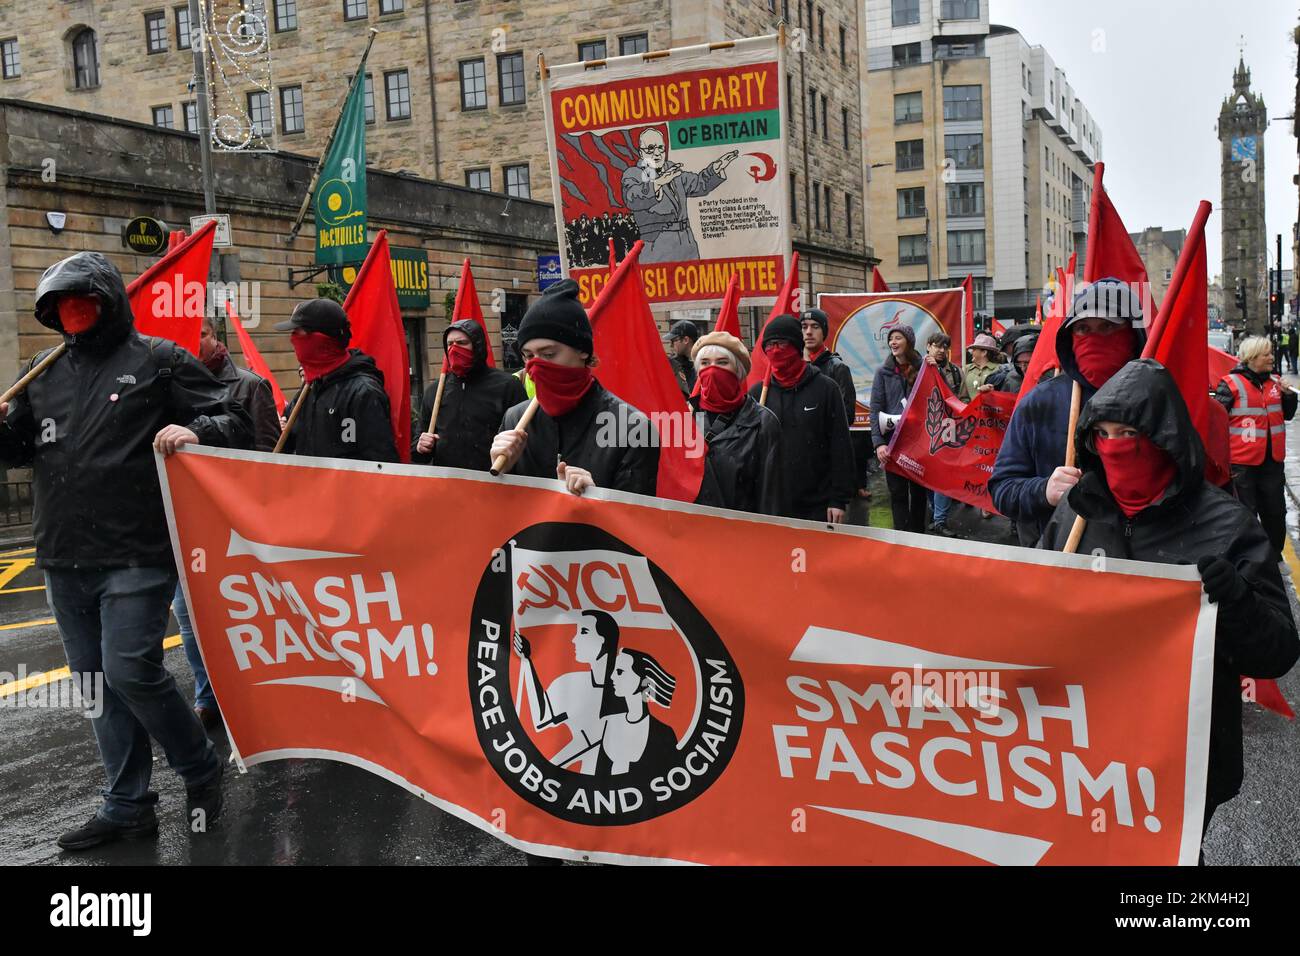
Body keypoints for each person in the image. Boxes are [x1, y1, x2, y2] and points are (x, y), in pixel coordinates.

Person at [0, 252, 251, 850]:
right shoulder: (43, 369)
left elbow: (234, 415)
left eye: (82, 301)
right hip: (62, 553)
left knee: (131, 669)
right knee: (94, 684)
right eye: (61, 305)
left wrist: (198, 430)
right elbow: (19, 453)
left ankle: (198, 766)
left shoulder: (158, 361)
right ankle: (128, 802)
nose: (72, 313)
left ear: (108, 302)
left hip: (138, 550)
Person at [1039, 360, 1298, 845]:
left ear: (1164, 437)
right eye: (1104, 432)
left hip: (1184, 760)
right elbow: (1028, 616)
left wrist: (1237, 600)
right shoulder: (1078, 514)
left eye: (1130, 432)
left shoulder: (1227, 525)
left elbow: (1278, 652)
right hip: (1082, 753)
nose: (1116, 446)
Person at [990, 278, 1147, 547]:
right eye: (1083, 328)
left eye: (1107, 327)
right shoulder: (1039, 403)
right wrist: (1043, 491)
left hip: (1139, 566)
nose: (1095, 338)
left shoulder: (1155, 401)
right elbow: (1002, 489)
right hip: (1058, 561)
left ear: (1133, 334)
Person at [490, 279, 658, 496]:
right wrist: (502, 473)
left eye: (549, 354)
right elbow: (502, 509)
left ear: (583, 351)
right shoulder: (514, 420)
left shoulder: (632, 427)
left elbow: (639, 519)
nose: (536, 365)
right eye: (529, 356)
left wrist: (597, 498)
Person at [748, 314, 854, 523]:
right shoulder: (758, 394)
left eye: (782, 343)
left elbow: (840, 445)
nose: (776, 350)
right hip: (771, 505)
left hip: (818, 505)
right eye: (770, 345)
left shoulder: (826, 388)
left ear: (796, 346)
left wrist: (838, 499)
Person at [274, 298, 399, 462]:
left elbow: (380, 463)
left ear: (319, 339)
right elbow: (291, 444)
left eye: (297, 332)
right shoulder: (309, 388)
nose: (292, 339)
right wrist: (282, 430)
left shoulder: (363, 392)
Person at [1214, 336, 1298, 558]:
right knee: (1245, 513)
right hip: (1242, 464)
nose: (1272, 357)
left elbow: (1287, 415)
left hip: (1272, 461)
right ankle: (1249, 556)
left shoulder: (1276, 383)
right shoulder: (1230, 384)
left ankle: (1273, 555)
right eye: (1267, 354)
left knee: (1275, 511)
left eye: (1271, 353)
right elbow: (1217, 421)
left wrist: (1289, 396)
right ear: (1252, 358)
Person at [689, 331, 785, 515]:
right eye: (705, 363)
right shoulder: (684, 418)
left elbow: (770, 495)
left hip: (741, 533)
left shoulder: (763, 422)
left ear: (738, 370)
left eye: (722, 362)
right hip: (692, 532)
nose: (713, 369)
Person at [413, 319, 526, 470]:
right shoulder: (435, 391)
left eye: (461, 343)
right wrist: (421, 447)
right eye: (450, 344)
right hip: (450, 484)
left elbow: (527, 441)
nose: (454, 349)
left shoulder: (508, 386)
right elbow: (419, 448)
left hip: (497, 482)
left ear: (477, 345)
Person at [621, 127, 737, 263]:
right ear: (641, 153)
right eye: (651, 149)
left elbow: (699, 184)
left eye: (660, 148)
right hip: (657, 247)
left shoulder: (673, 170)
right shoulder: (634, 173)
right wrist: (658, 183)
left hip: (687, 246)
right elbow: (632, 198)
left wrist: (714, 169)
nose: (657, 153)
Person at [803, 307, 870, 503]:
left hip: (826, 461)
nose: (808, 332)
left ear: (824, 332)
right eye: (804, 327)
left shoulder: (837, 368)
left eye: (815, 327)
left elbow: (846, 415)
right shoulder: (797, 368)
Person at [872, 325, 928, 533]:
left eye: (898, 338)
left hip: (918, 444)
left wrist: (934, 368)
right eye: (891, 339)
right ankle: (902, 538)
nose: (893, 342)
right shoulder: (882, 372)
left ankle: (918, 537)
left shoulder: (924, 368)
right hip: (892, 444)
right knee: (897, 494)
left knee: (919, 493)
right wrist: (879, 444)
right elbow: (875, 410)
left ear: (909, 342)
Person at [596, 648, 679, 776]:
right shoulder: (606, 723)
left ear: (642, 680)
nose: (612, 676)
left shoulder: (664, 734)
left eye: (620, 672)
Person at [959, 332, 1003, 401]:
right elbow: (963, 396)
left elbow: (1001, 395)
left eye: (974, 349)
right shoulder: (967, 369)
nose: (971, 352)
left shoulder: (999, 369)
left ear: (984, 352)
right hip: (970, 411)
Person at [663, 319, 700, 399]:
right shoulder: (673, 363)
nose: (671, 345)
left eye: (673, 341)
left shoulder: (704, 362)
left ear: (686, 340)